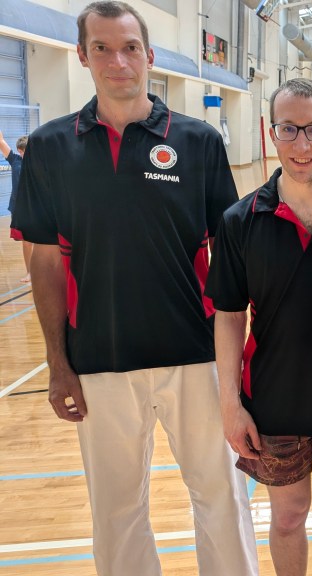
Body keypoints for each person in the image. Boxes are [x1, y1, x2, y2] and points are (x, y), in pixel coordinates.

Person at [16, 3, 258, 574]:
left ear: (149, 55)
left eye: (128, 47)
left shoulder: (197, 141)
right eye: (101, 47)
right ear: (81, 56)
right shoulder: (50, 148)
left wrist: (239, 360)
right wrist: (57, 360)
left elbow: (231, 254)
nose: (117, 60)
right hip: (99, 356)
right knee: (116, 512)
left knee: (221, 500)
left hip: (196, 356)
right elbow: (44, 262)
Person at [208, 78, 312, 576]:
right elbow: (230, 316)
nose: (302, 145)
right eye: (289, 130)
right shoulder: (240, 220)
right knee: (288, 515)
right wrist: (230, 404)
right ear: (270, 134)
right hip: (273, 399)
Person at [1, 130, 30, 283]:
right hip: (19, 208)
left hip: (35, 207)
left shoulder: (38, 162)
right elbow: (1, 142)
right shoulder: (15, 160)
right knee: (26, 241)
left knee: (38, 241)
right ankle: (29, 272)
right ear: (20, 151)